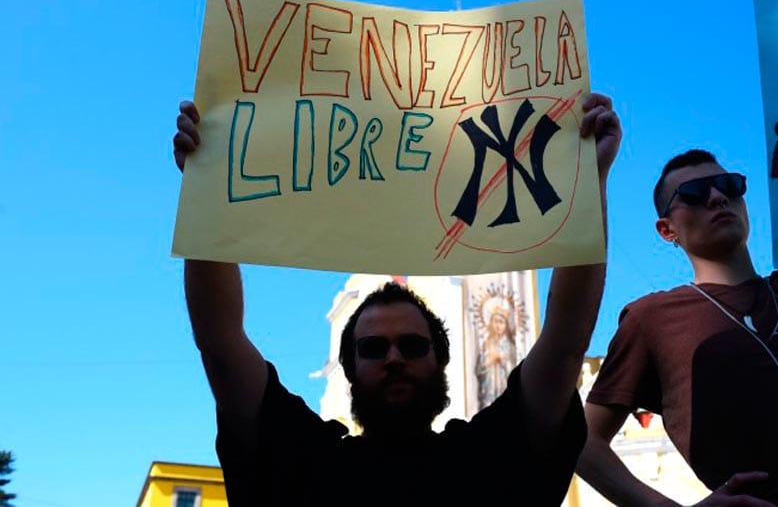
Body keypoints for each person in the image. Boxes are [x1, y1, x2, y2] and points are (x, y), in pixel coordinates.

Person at [172, 93, 621, 506]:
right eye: (372, 348)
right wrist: (205, 190)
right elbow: (220, 340)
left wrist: (589, 184)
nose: (393, 359)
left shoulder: (489, 457)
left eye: (412, 345)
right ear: (348, 367)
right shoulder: (304, 460)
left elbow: (565, 340)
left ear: (441, 358)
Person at [576, 148, 778, 507]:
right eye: (694, 193)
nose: (717, 196)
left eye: (729, 184)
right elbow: (582, 441)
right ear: (667, 230)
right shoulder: (652, 318)